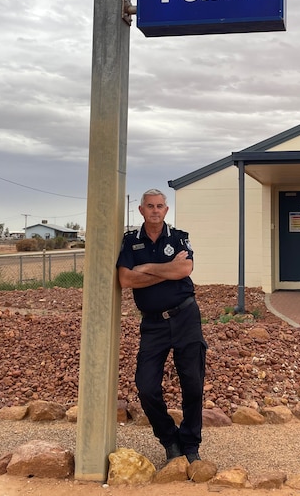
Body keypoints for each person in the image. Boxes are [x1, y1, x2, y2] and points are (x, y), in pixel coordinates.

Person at [116, 189, 207, 464]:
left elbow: (183, 270)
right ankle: (169, 439)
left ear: (166, 210)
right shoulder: (130, 241)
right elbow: (125, 280)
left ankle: (190, 445)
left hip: (186, 318)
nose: (155, 210)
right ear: (141, 210)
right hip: (153, 324)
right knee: (146, 387)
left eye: (160, 206)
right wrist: (165, 268)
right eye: (150, 206)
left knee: (192, 384)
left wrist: (145, 268)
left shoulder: (179, 237)